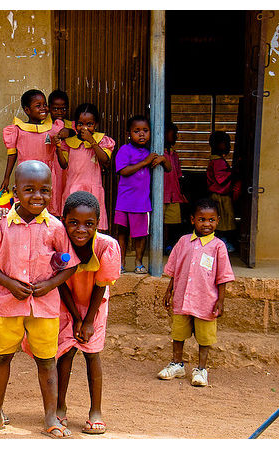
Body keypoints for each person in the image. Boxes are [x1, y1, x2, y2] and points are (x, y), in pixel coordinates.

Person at [0, 160, 78, 438]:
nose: (37, 197)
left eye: (44, 190)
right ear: (15, 189)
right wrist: (11, 285)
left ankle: (51, 417)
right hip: (6, 303)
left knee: (46, 360)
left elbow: (70, 264)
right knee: (1, 358)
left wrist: (49, 285)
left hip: (44, 306)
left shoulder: (55, 227)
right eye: (29, 190)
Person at [53, 191, 121, 435]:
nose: (80, 229)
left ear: (98, 223)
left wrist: (88, 320)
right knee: (66, 353)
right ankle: (59, 407)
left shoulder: (107, 246)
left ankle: (96, 411)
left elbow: (101, 284)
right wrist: (76, 317)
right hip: (67, 303)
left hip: (95, 305)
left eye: (89, 224)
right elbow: (59, 282)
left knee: (92, 354)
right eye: (73, 223)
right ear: (63, 220)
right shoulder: (59, 243)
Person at [157, 198, 235, 387]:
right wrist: (169, 291)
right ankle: (177, 364)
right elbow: (175, 268)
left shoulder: (218, 247)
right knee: (178, 333)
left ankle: (201, 369)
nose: (206, 224)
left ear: (218, 221)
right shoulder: (184, 242)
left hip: (206, 300)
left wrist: (221, 301)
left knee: (204, 336)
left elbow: (223, 276)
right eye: (202, 219)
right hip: (182, 297)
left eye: (211, 220)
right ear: (193, 220)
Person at [114, 115, 170, 274]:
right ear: (128, 133)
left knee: (140, 235)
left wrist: (163, 159)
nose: (141, 134)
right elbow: (123, 171)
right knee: (122, 233)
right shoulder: (125, 150)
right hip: (124, 201)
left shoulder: (151, 152)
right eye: (136, 131)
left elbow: (169, 168)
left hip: (141, 202)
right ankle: (121, 262)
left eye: (145, 130)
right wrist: (145, 162)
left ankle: (139, 262)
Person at [0, 90, 65, 216]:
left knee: (48, 209)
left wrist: (65, 133)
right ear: (27, 110)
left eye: (45, 105)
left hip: (47, 176)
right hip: (26, 175)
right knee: (26, 206)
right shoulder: (17, 130)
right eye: (38, 105)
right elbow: (12, 155)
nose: (44, 108)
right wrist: (6, 177)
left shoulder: (53, 129)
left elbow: (69, 132)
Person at [55, 103, 115, 230]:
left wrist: (92, 141)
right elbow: (63, 164)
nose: (84, 128)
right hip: (73, 188)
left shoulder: (102, 141)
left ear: (96, 124)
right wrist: (58, 148)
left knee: (91, 225)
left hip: (92, 190)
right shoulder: (70, 142)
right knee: (72, 224)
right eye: (80, 124)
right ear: (75, 124)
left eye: (89, 124)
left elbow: (105, 160)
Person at [206, 131, 236, 252]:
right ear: (217, 145)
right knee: (221, 220)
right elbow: (221, 179)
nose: (228, 146)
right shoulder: (217, 161)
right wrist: (234, 172)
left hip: (220, 195)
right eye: (226, 143)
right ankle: (221, 243)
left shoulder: (218, 160)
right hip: (219, 196)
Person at [163, 121, 187, 253]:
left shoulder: (174, 154)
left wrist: (182, 193)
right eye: (174, 134)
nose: (176, 137)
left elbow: (179, 175)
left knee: (173, 223)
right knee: (161, 224)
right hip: (161, 194)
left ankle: (169, 246)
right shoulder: (158, 153)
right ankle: (160, 246)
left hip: (174, 194)